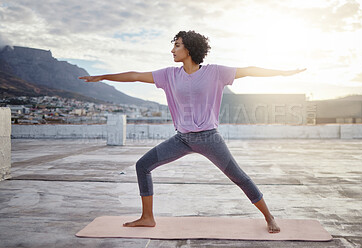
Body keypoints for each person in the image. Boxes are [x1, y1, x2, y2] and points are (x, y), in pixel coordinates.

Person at [80, 30, 306, 233]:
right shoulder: (169, 75)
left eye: (177, 45)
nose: (172, 49)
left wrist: (283, 73)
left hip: (209, 138)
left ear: (189, 48)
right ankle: (147, 217)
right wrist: (102, 77)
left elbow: (249, 71)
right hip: (182, 139)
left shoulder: (215, 72)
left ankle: (269, 216)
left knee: (239, 178)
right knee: (143, 165)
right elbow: (136, 75)